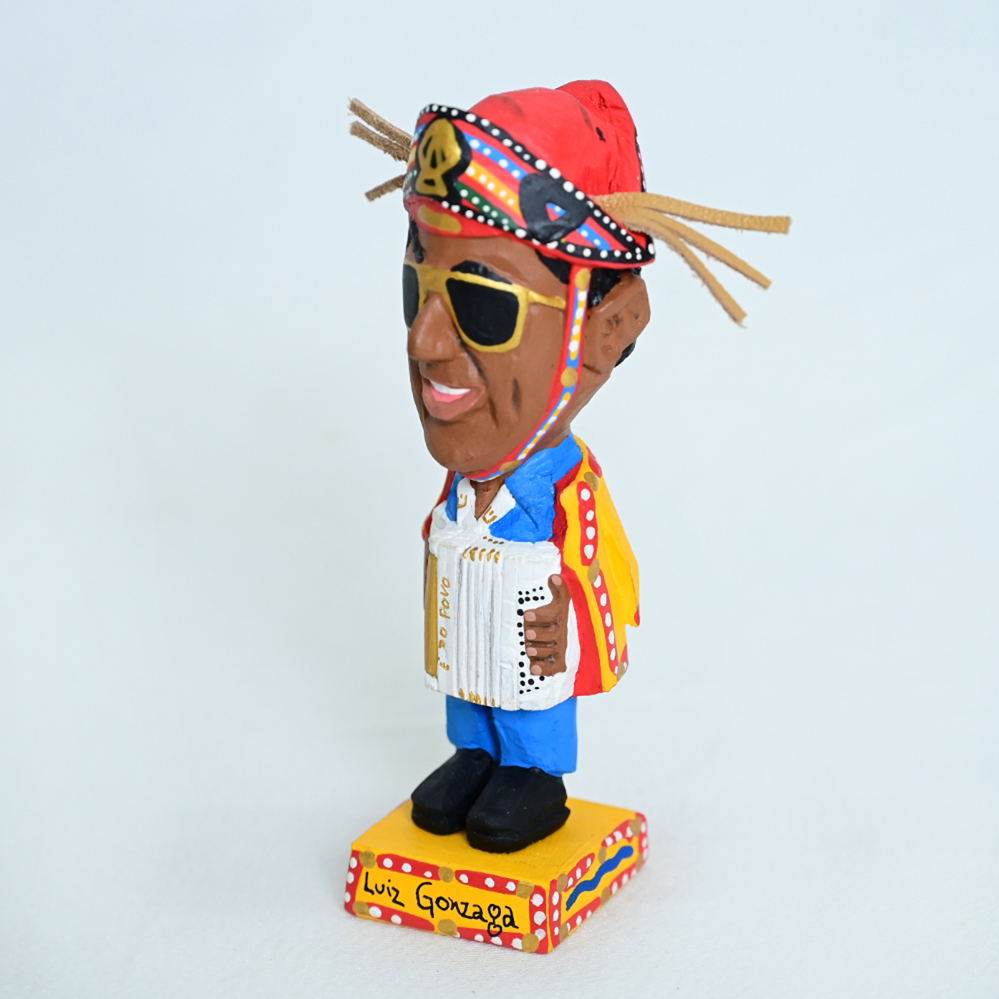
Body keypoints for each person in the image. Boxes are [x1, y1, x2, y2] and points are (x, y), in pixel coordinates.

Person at [349, 81, 789, 852]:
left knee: (525, 691)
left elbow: (608, 572)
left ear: (609, 329)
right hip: (470, 633)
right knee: (469, 686)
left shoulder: (565, 490)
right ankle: (475, 752)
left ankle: (531, 772)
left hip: (529, 652)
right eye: (416, 287)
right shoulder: (462, 484)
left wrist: (571, 619)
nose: (423, 341)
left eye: (482, 301)